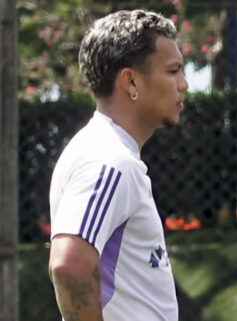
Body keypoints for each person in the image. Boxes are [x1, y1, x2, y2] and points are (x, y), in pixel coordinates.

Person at [48, 9, 188, 321]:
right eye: (173, 71)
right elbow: (68, 265)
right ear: (131, 80)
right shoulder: (110, 161)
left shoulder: (102, 150)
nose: (184, 84)